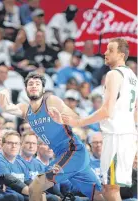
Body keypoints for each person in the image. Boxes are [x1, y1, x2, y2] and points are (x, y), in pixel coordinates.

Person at [0, 72, 103, 201]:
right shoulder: (26, 109)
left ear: (43, 89)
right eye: (30, 84)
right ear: (26, 89)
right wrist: (3, 101)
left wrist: (62, 120)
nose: (34, 86)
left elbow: (77, 119)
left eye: (38, 84)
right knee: (99, 195)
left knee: (36, 185)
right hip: (63, 155)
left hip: (73, 151)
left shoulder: (51, 101)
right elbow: (8, 108)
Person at [61, 38, 138, 201]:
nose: (105, 53)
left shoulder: (113, 74)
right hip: (128, 135)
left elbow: (107, 110)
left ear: (121, 55)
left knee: (110, 188)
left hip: (116, 135)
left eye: (110, 50)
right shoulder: (132, 76)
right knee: (112, 187)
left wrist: (79, 122)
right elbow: (135, 111)